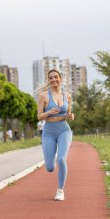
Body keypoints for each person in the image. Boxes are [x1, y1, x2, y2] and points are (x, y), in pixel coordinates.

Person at [37, 69, 74, 201]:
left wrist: (71, 115)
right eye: (50, 78)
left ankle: (60, 190)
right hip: (49, 132)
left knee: (61, 159)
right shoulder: (43, 96)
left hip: (64, 130)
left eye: (55, 77)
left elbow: (69, 113)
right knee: (50, 167)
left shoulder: (67, 96)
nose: (53, 80)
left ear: (60, 78)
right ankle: (50, 161)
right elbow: (39, 116)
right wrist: (49, 112)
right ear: (49, 80)